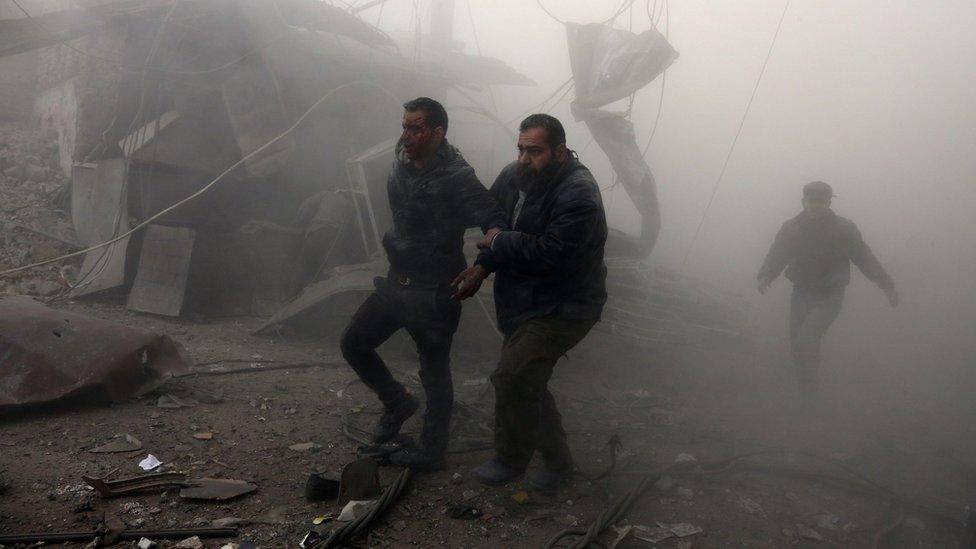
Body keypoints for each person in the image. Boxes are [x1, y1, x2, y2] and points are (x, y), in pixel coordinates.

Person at [339, 97, 506, 471]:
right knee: (353, 343)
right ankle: (398, 402)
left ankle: (432, 450)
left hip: (434, 292)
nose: (406, 135)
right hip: (398, 282)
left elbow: (495, 220)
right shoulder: (400, 163)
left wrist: (481, 268)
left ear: (437, 131)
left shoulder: (458, 177)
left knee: (434, 371)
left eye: (415, 127)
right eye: (404, 126)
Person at [453, 114, 608, 492]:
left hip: (565, 305)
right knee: (529, 379)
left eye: (534, 151)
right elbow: (497, 231)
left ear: (559, 151)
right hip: (523, 300)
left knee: (513, 375)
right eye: (521, 149)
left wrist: (499, 243)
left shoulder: (579, 194)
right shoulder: (515, 176)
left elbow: (549, 253)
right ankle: (558, 464)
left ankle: (510, 459)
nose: (524, 158)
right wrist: (481, 269)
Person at [757, 180, 898, 397]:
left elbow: (864, 259)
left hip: (830, 296)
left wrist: (887, 285)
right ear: (803, 201)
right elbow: (778, 253)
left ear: (829, 203)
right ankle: (806, 388)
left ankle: (810, 394)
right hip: (801, 292)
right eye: (811, 201)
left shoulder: (844, 229)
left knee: (807, 339)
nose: (815, 205)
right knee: (797, 345)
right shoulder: (791, 227)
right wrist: (766, 274)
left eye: (821, 202)